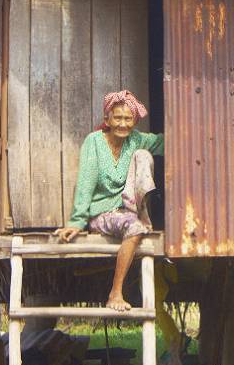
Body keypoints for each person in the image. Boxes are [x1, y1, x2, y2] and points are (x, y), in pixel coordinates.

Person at [54, 90, 163, 311]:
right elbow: (86, 182)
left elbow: (165, 141)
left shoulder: (136, 140)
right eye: (118, 118)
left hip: (128, 208)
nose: (123, 124)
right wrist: (77, 222)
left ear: (134, 120)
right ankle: (115, 293)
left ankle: (139, 212)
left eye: (128, 118)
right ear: (107, 120)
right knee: (134, 228)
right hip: (102, 212)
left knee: (144, 156)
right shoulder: (94, 142)